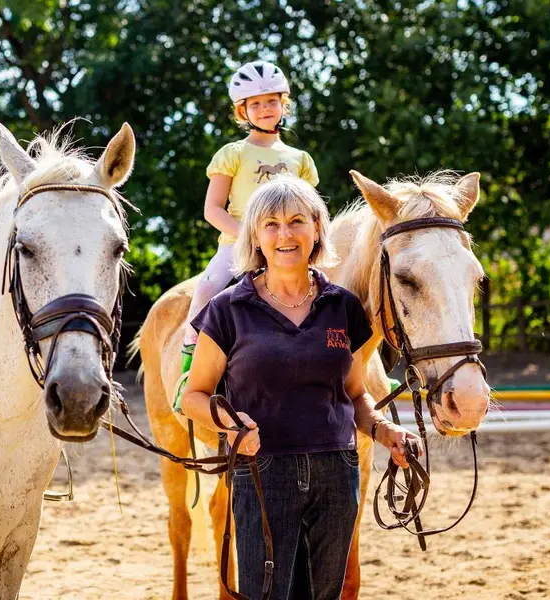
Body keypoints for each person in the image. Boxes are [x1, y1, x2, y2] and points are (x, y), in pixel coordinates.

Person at [181, 174, 420, 599]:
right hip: (263, 473)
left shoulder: (343, 306)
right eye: (271, 224)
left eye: (296, 221)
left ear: (316, 228)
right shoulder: (227, 309)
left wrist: (384, 430)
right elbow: (194, 397)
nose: (285, 234)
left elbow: (355, 394)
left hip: (337, 475)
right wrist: (233, 424)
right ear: (255, 236)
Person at [174, 60, 319, 411]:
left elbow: (312, 211)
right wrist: (249, 239)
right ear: (243, 111)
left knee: (340, 294)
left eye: (271, 101)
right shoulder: (233, 153)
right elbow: (212, 210)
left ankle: (368, 371)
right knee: (206, 290)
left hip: (291, 246)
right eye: (256, 104)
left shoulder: (300, 158)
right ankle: (188, 376)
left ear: (284, 104)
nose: (265, 109)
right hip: (238, 247)